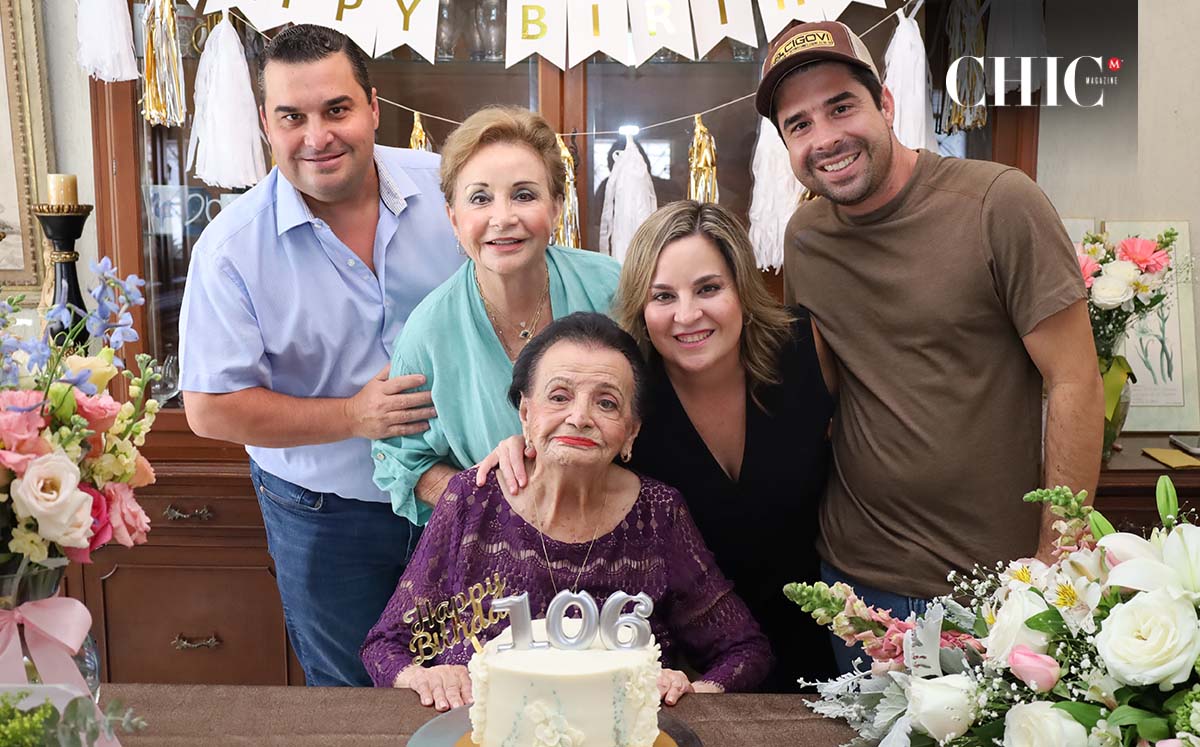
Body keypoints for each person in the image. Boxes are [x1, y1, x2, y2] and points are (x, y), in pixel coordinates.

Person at [755, 21, 1104, 670]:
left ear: (885, 104)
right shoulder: (806, 237)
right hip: (855, 584)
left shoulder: (998, 204)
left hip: (996, 587)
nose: (824, 138)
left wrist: (1057, 560)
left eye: (841, 107)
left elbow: (1075, 380)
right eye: (799, 124)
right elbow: (827, 385)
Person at [178, 25, 464, 686]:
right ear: (265, 124)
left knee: (475, 682)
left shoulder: (452, 190)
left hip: (458, 496)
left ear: (374, 107)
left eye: (337, 109)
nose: (318, 136)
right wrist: (353, 416)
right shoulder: (230, 249)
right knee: (352, 699)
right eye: (292, 117)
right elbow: (209, 408)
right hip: (325, 515)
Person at [479, 201, 838, 690]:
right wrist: (521, 449)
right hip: (691, 670)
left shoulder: (803, 349)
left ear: (742, 290)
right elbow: (565, 452)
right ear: (642, 308)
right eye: (663, 296)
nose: (687, 315)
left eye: (708, 288)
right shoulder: (625, 400)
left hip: (824, 635)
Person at [361, 313, 773, 708]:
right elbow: (386, 644)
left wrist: (689, 691)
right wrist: (425, 677)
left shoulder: (658, 513)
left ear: (631, 431)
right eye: (559, 397)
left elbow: (744, 649)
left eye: (606, 403)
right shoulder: (473, 498)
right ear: (526, 414)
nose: (579, 418)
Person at [370, 106, 620, 525]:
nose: (503, 219)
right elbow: (401, 463)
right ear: (453, 218)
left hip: (617, 530)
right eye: (480, 198)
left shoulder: (612, 288)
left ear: (557, 207)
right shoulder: (429, 332)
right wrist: (490, 499)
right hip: (495, 544)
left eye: (524, 195)